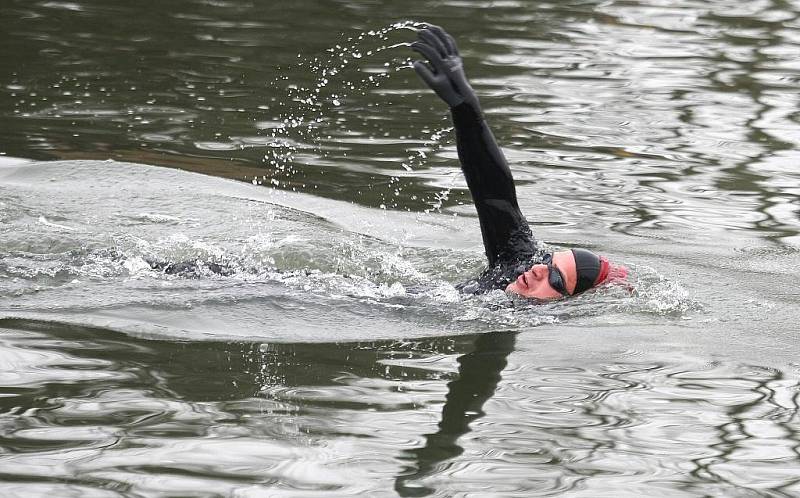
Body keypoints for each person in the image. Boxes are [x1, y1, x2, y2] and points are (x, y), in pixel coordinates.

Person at [411, 25, 627, 300]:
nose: (538, 268)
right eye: (548, 260)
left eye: (556, 276)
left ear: (568, 302)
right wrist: (466, 108)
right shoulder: (518, 266)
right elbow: (495, 193)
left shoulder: (538, 322)